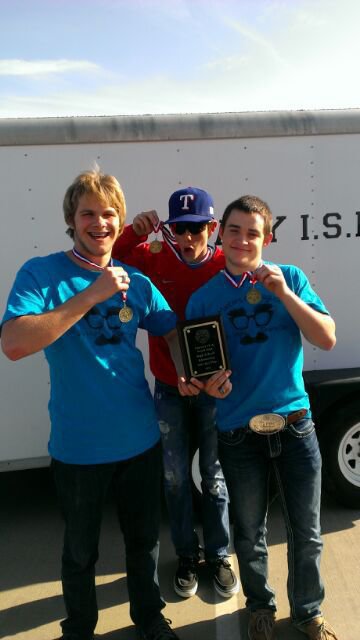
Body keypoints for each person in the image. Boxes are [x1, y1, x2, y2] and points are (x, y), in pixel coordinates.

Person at [0, 169, 182, 640]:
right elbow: (15, 343)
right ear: (71, 218)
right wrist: (92, 294)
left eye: (108, 215)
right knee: (80, 551)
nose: (98, 223)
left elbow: (172, 327)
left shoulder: (136, 281)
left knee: (143, 544)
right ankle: (79, 629)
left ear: (120, 222)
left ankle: (149, 618)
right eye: (88, 213)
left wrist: (188, 370)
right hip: (78, 447)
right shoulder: (41, 273)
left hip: (139, 439)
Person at [178, 195, 339, 640]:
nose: (243, 239)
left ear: (266, 237)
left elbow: (326, 338)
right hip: (237, 434)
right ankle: (260, 606)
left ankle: (308, 612)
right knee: (249, 534)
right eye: (234, 230)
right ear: (220, 234)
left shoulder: (291, 279)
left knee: (307, 533)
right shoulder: (203, 299)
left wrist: (283, 294)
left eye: (253, 232)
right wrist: (209, 386)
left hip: (294, 426)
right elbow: (201, 370)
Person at [112, 187, 239, 599]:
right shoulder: (152, 260)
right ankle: (186, 554)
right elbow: (106, 260)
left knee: (214, 477)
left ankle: (219, 553)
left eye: (197, 228)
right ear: (168, 229)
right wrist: (133, 232)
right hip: (169, 386)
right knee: (175, 479)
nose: (188, 238)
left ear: (212, 228)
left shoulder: (226, 264)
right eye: (180, 229)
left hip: (215, 391)